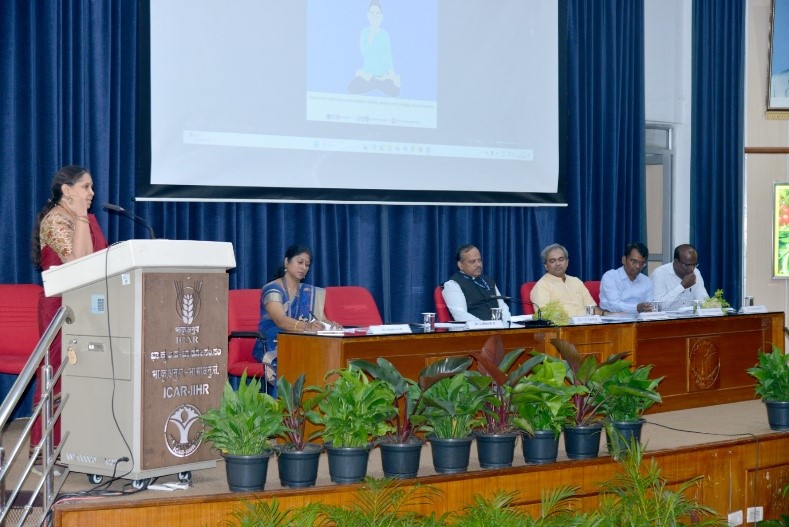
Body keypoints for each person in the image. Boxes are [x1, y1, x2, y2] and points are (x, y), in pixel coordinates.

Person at [30, 165, 108, 457]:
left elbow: (95, 260)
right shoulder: (55, 220)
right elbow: (77, 262)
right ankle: (44, 449)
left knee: (85, 372)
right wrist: (79, 217)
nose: (92, 193)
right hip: (60, 308)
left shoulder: (85, 219)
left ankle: (78, 443)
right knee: (58, 373)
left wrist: (82, 218)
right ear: (66, 190)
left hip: (88, 305)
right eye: (85, 187)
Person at [252, 245, 341, 390]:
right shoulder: (272, 289)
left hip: (304, 341)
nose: (304, 267)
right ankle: (285, 407)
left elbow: (320, 319)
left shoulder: (309, 292)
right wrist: (307, 327)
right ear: (286, 262)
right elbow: (280, 320)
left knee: (330, 356)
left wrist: (331, 325)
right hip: (274, 343)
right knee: (299, 359)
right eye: (299, 262)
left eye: (307, 264)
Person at [442, 244, 511, 323]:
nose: (478, 265)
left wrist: (506, 325)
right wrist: (486, 326)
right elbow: (460, 315)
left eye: (479, 260)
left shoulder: (489, 281)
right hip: (471, 332)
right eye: (472, 262)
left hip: (497, 330)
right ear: (460, 265)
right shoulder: (453, 285)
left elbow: (502, 307)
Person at [531, 243, 602, 317]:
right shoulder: (542, 286)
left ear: (567, 262)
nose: (558, 263)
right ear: (546, 266)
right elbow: (544, 316)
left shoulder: (576, 281)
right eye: (552, 261)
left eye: (561, 259)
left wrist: (606, 314)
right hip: (563, 327)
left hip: (586, 325)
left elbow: (591, 308)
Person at [347, 0, 401, 97]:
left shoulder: (384, 35)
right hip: (367, 76)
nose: (375, 16)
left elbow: (388, 59)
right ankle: (376, 83)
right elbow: (364, 53)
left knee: (396, 92)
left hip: (381, 76)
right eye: (372, 13)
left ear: (381, 16)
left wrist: (392, 77)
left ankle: (376, 82)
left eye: (377, 13)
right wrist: (371, 35)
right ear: (368, 15)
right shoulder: (364, 32)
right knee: (351, 87)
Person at [650, 243, 709, 311]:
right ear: (676, 262)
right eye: (688, 265)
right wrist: (681, 286)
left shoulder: (696, 272)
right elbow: (658, 307)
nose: (692, 268)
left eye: (694, 264)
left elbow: (703, 299)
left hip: (690, 318)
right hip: (667, 319)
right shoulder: (660, 273)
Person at [599, 242, 654, 314]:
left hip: (640, 322)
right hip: (614, 321)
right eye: (634, 262)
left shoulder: (647, 281)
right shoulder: (610, 277)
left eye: (641, 263)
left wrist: (648, 308)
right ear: (624, 260)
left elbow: (650, 305)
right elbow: (614, 306)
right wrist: (637, 308)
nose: (638, 266)